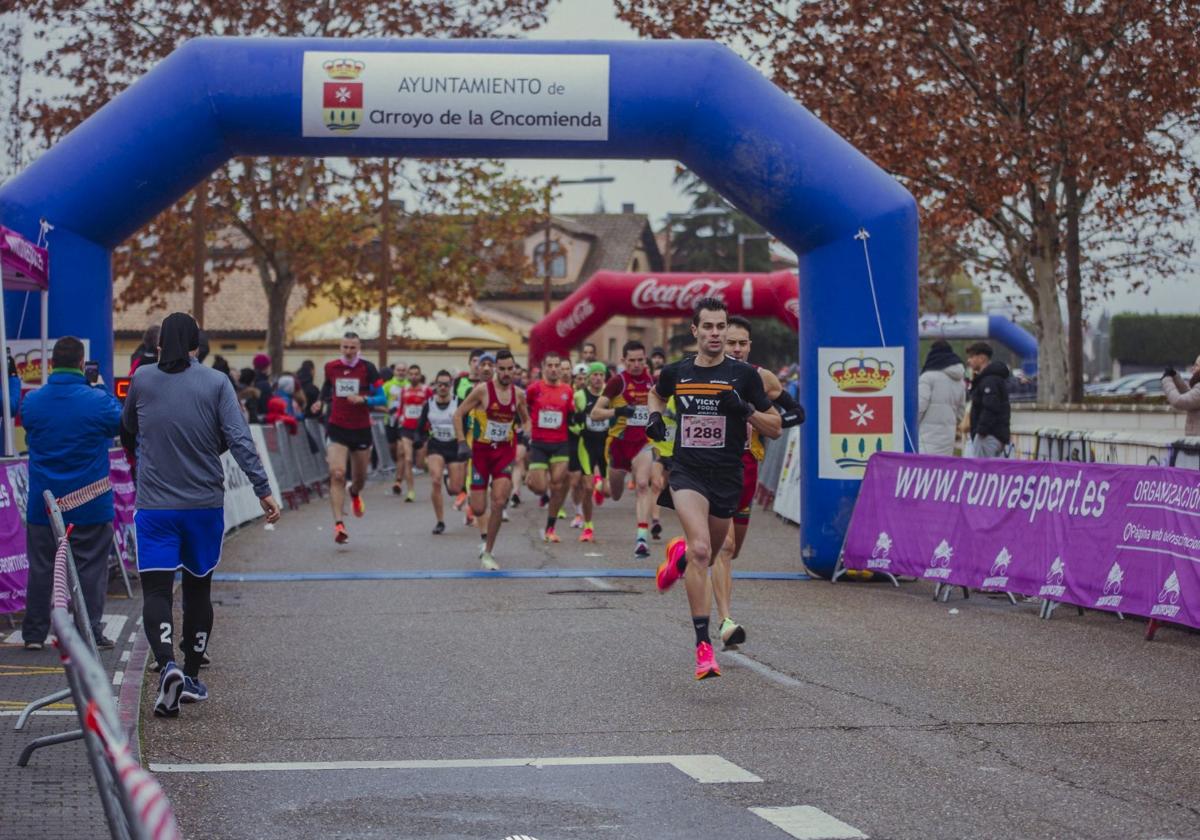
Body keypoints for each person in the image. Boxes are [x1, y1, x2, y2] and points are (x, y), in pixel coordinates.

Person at [122, 313, 280, 716]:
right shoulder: (216, 382)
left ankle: (167, 666)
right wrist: (262, 489)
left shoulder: (142, 379)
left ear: (160, 344)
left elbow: (126, 428)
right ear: (196, 344)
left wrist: (140, 461)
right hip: (203, 506)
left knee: (156, 591)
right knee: (197, 590)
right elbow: (239, 438)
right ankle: (191, 675)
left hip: (155, 507)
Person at [649, 298, 779, 680]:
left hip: (727, 475)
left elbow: (775, 427)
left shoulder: (745, 376)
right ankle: (703, 646)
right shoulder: (679, 372)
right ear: (695, 331)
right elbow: (657, 392)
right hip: (688, 472)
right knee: (704, 549)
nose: (716, 334)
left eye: (721, 327)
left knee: (718, 548)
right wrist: (656, 417)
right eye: (708, 327)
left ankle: (679, 558)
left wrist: (746, 411)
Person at [19, 337, 124, 651]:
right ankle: (87, 629)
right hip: (89, 504)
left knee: (41, 568)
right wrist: (100, 387)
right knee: (91, 568)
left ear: (51, 363)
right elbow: (119, 422)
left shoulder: (33, 402)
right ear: (82, 364)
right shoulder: (97, 400)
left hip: (44, 504)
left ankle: (34, 633)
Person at [710, 316, 802, 650]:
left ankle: (687, 554)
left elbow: (795, 414)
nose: (736, 348)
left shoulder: (762, 377)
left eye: (742, 343)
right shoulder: (705, 373)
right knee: (726, 547)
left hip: (747, 468)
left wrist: (761, 423)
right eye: (731, 342)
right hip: (714, 467)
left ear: (749, 345)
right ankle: (726, 622)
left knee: (732, 549)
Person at [454, 349, 529, 571]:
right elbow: (458, 414)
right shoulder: (482, 391)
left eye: (510, 369)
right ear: (496, 369)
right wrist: (461, 442)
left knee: (498, 501)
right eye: (502, 369)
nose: (507, 373)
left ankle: (488, 550)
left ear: (514, 369)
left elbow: (526, 419)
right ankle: (475, 507)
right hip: (481, 453)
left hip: (504, 453)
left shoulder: (519, 394)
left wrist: (527, 431)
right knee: (478, 508)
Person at [309, 332, 384, 544]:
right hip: (337, 427)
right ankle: (339, 524)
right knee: (338, 473)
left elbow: (382, 397)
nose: (349, 351)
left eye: (353, 347)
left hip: (361, 429)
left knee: (359, 479)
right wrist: (320, 402)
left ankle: (355, 492)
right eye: (345, 347)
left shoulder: (368, 368)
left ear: (359, 348)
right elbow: (327, 387)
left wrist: (363, 399)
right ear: (340, 347)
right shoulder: (331, 367)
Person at [590, 340, 657, 558]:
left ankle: (641, 539)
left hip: (642, 443)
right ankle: (600, 487)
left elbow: (663, 404)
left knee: (641, 485)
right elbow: (595, 413)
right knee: (615, 494)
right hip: (618, 444)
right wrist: (618, 412)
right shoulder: (617, 382)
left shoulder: (653, 382)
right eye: (632, 361)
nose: (637, 365)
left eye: (640, 360)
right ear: (623, 361)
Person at [524, 351, 575, 543]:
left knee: (557, 486)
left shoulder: (567, 391)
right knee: (539, 487)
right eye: (550, 366)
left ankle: (550, 528)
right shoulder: (534, 389)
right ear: (544, 368)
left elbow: (570, 413)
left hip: (561, 443)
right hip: (539, 443)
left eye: (556, 366)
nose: (553, 369)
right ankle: (532, 479)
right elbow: (525, 406)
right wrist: (527, 423)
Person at [417, 370, 467, 535]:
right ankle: (440, 521)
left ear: (451, 386)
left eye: (446, 384)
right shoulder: (429, 404)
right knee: (435, 480)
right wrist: (420, 439)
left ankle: (449, 480)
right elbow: (421, 426)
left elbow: (466, 424)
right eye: (440, 384)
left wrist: (464, 443)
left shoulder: (458, 402)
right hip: (436, 445)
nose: (443, 387)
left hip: (454, 446)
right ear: (436, 385)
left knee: (455, 488)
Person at [569, 361, 611, 542]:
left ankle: (600, 487)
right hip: (586, 445)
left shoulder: (610, 396)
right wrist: (577, 426)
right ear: (588, 378)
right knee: (586, 487)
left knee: (609, 491)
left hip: (605, 446)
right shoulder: (579, 396)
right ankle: (588, 527)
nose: (598, 378)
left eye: (601, 375)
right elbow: (572, 419)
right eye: (594, 374)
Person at [918, 340, 967, 456]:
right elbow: (961, 412)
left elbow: (919, 407)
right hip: (948, 439)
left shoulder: (927, 377)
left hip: (925, 438)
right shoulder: (960, 381)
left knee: (924, 470)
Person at [965, 341, 1010, 458]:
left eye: (971, 357)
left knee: (981, 470)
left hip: (988, 436)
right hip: (990, 435)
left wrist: (981, 431)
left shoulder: (989, 381)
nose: (968, 361)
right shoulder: (989, 379)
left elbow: (990, 407)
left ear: (981, 358)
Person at [251, 353, 273, 417]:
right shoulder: (264, 384)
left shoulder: (251, 379)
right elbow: (267, 404)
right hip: (262, 418)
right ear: (266, 367)